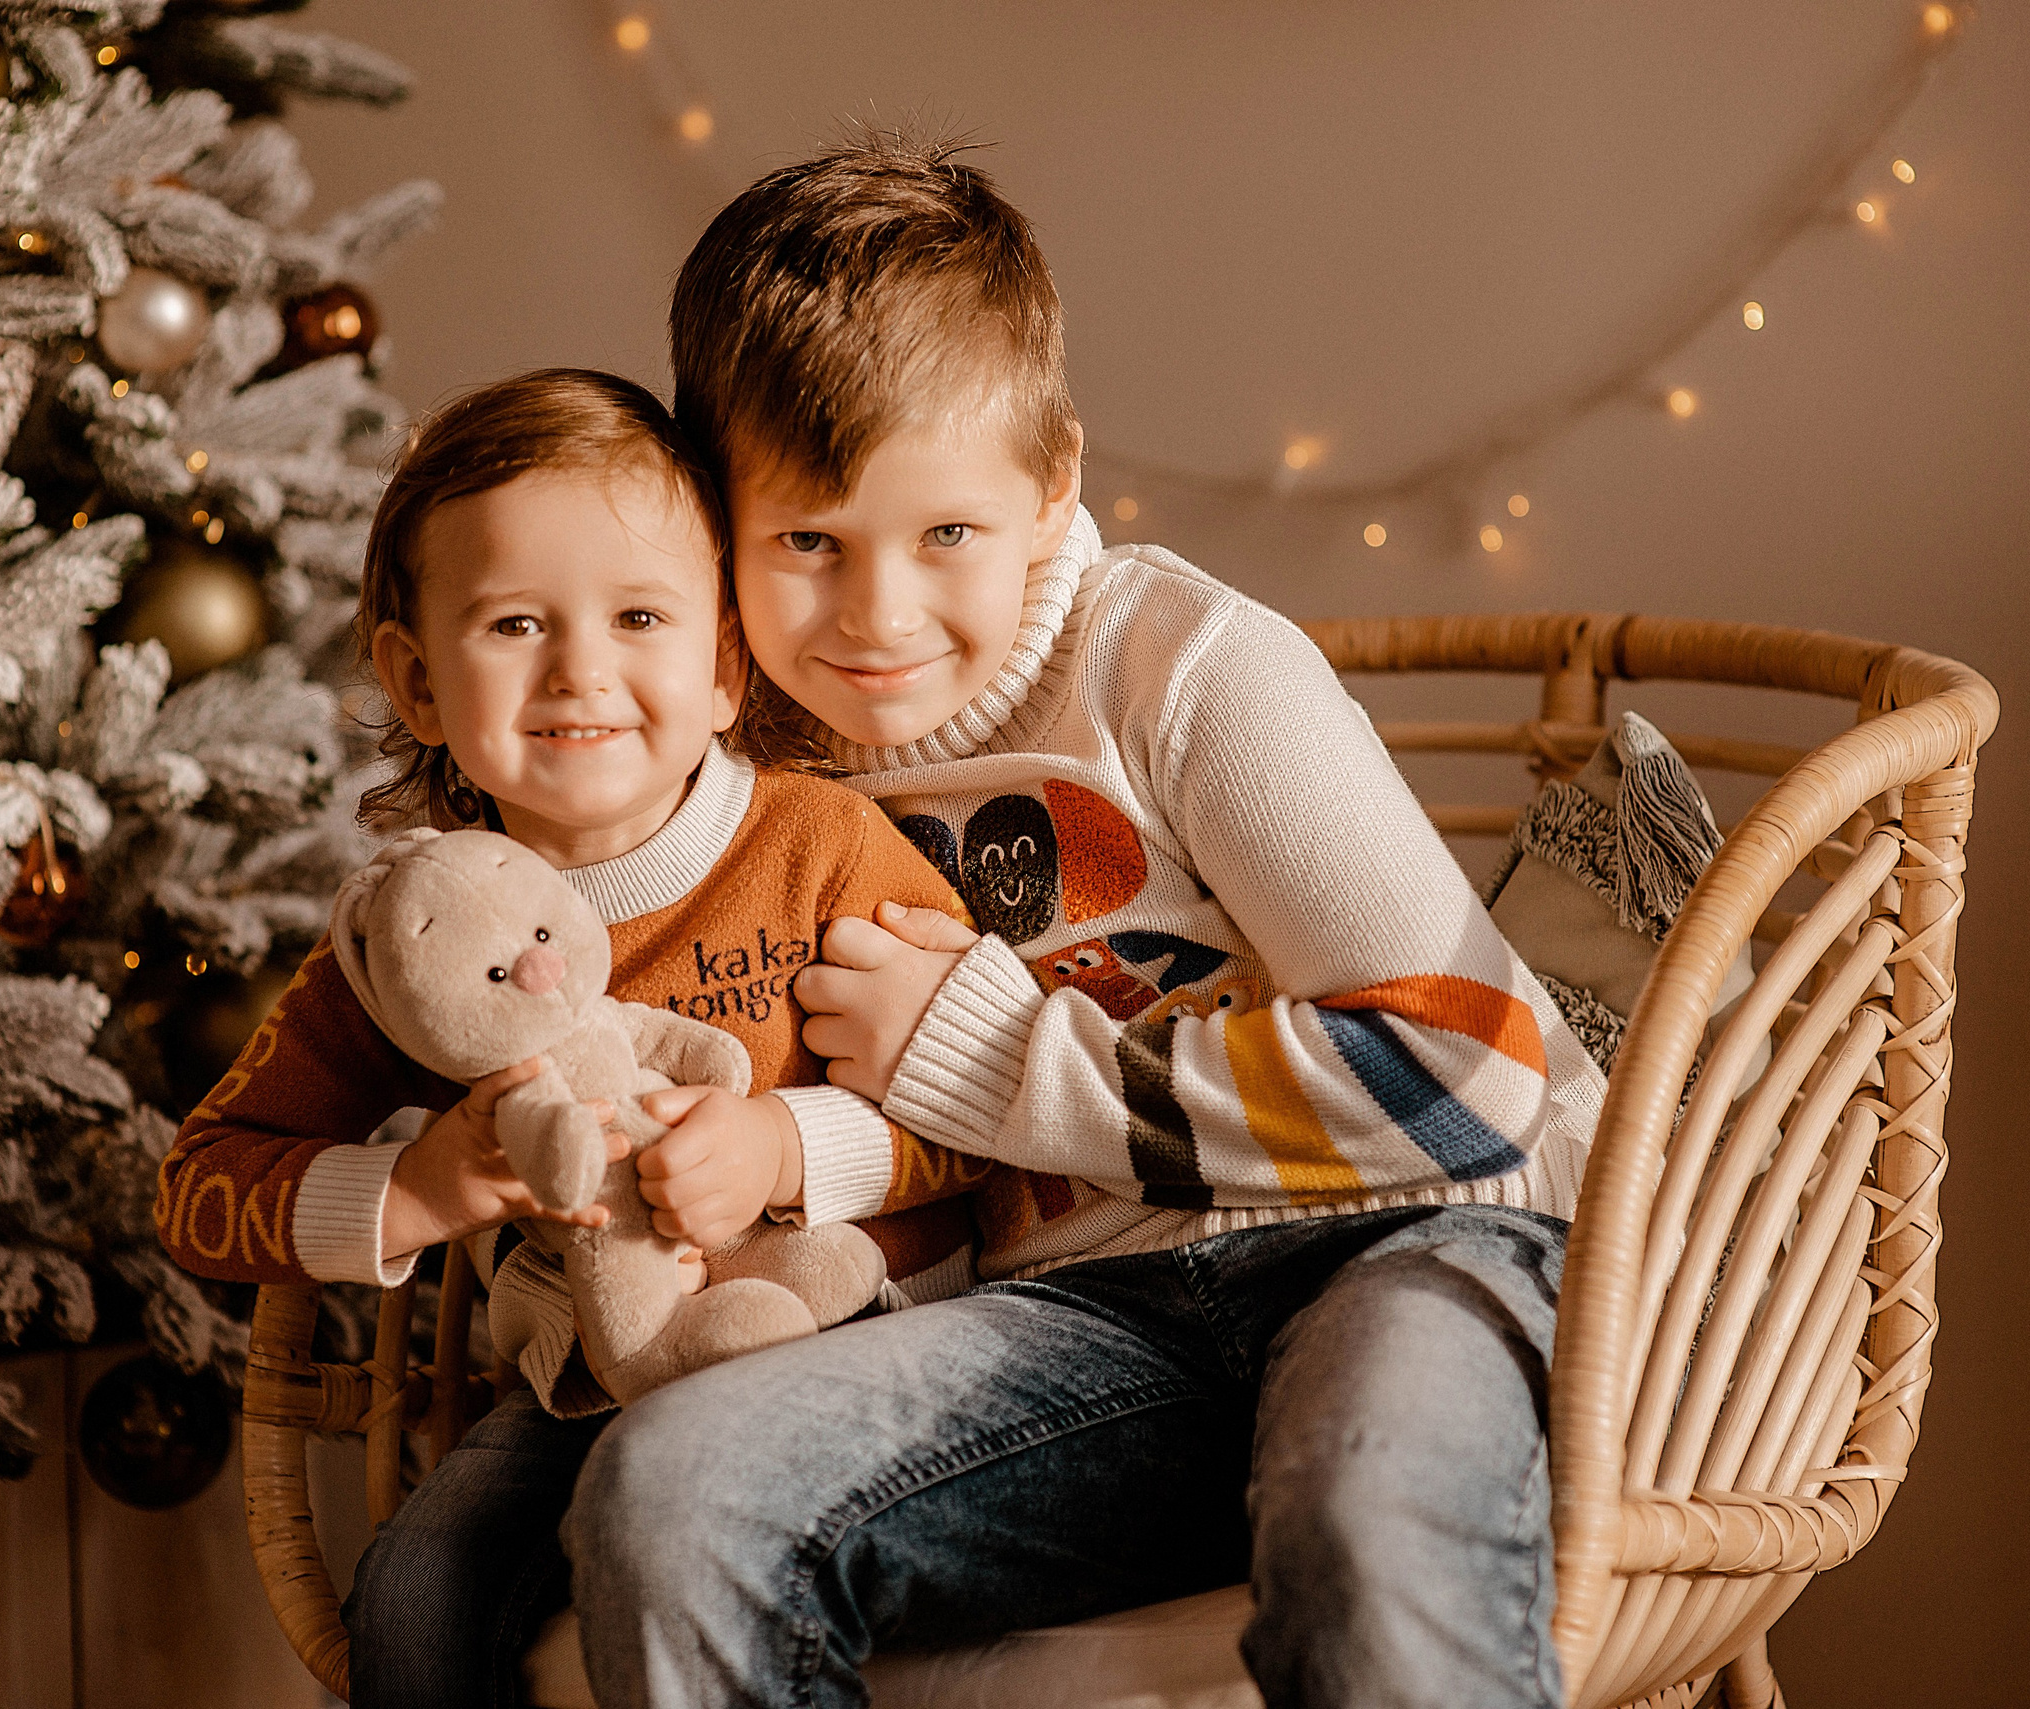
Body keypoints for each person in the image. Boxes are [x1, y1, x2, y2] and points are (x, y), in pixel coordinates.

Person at [558, 135, 1611, 1709]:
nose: (877, 617)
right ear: (717, 518)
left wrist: (1000, 1061)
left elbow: (1468, 1073)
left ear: (1053, 484)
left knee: (1367, 1515)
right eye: (806, 544)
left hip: (1412, 1243)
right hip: (1093, 1339)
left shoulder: (1178, 666)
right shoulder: (743, 764)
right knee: (672, 1492)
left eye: (947, 536)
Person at [150, 368, 1001, 1709]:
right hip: (590, 1392)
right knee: (418, 1594)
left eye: (641, 615)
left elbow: (985, 1118)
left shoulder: (820, 848)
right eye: (514, 623)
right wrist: (419, 1187)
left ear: (723, 661)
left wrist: (788, 1144)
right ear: (418, 680)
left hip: (861, 1349)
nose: (580, 670)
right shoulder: (417, 937)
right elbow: (198, 1189)